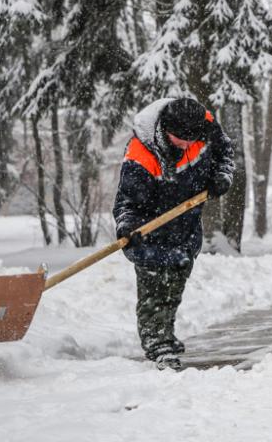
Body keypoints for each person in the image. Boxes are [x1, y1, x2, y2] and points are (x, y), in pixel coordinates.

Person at [113, 97, 235, 370]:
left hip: (186, 227)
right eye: (180, 139)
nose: (188, 145)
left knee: (174, 285)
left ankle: (165, 332)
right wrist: (127, 226)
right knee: (154, 289)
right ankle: (157, 344)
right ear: (164, 131)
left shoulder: (205, 128)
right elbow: (127, 202)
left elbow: (225, 154)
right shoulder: (141, 154)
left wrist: (221, 176)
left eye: (192, 139)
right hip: (150, 229)